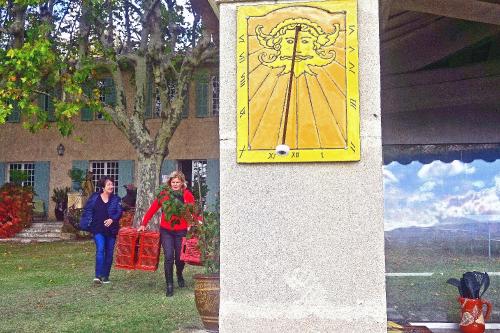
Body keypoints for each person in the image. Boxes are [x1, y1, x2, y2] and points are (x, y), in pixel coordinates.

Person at [138, 170, 195, 297]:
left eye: (177, 182)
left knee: (180, 258)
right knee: (169, 256)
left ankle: (179, 274)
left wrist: (196, 222)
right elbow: (153, 208)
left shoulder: (187, 195)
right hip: (166, 230)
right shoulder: (164, 194)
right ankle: (169, 284)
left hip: (181, 230)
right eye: (173, 182)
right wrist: (143, 223)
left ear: (182, 183)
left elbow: (193, 210)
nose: (175, 184)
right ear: (170, 183)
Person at [80, 176, 122, 285]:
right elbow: (88, 210)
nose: (111, 186)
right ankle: (97, 276)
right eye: (108, 184)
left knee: (109, 253)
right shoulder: (94, 197)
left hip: (111, 230)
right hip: (97, 228)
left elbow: (119, 212)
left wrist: (112, 219)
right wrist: (85, 223)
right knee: (100, 249)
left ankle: (105, 276)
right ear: (103, 187)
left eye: (112, 184)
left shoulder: (116, 199)